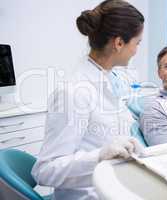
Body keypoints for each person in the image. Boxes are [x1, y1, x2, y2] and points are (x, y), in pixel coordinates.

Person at [31, 1, 145, 199]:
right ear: (119, 43)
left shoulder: (109, 79)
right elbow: (45, 171)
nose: (136, 50)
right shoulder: (74, 92)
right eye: (137, 43)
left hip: (116, 185)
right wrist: (99, 156)